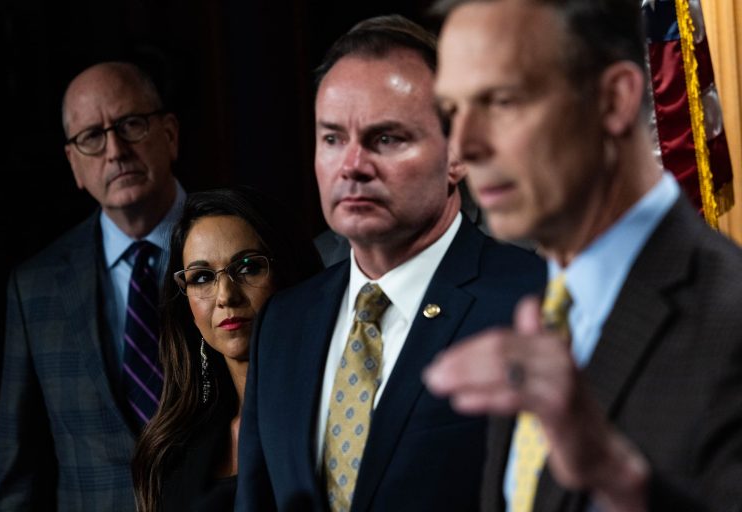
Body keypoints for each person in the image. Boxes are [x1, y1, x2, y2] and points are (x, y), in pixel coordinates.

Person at [425, 1, 742, 511]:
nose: (463, 146)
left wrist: (621, 482)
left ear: (614, 100)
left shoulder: (729, 316)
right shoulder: (537, 308)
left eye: (502, 101)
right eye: (453, 111)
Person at [236, 15, 545, 512]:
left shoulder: (534, 303)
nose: (352, 165)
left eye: (386, 139)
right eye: (332, 138)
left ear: (457, 155)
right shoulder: (283, 323)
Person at [0, 61, 184, 511]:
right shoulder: (35, 288)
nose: (115, 151)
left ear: (170, 134)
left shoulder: (240, 249)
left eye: (130, 124)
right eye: (92, 137)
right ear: (74, 164)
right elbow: (19, 470)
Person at [131, 187, 323, 512]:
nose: (225, 296)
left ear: (288, 272)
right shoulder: (174, 448)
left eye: (247, 268)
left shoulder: (332, 411)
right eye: (202, 277)